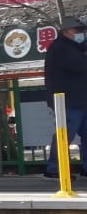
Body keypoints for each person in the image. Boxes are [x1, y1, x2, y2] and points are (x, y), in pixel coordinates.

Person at [43, 17, 87, 179]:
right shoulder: (61, 48)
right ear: (67, 32)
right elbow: (81, 66)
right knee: (64, 136)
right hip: (67, 101)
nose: (81, 34)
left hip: (79, 100)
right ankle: (54, 169)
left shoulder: (74, 47)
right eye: (78, 31)